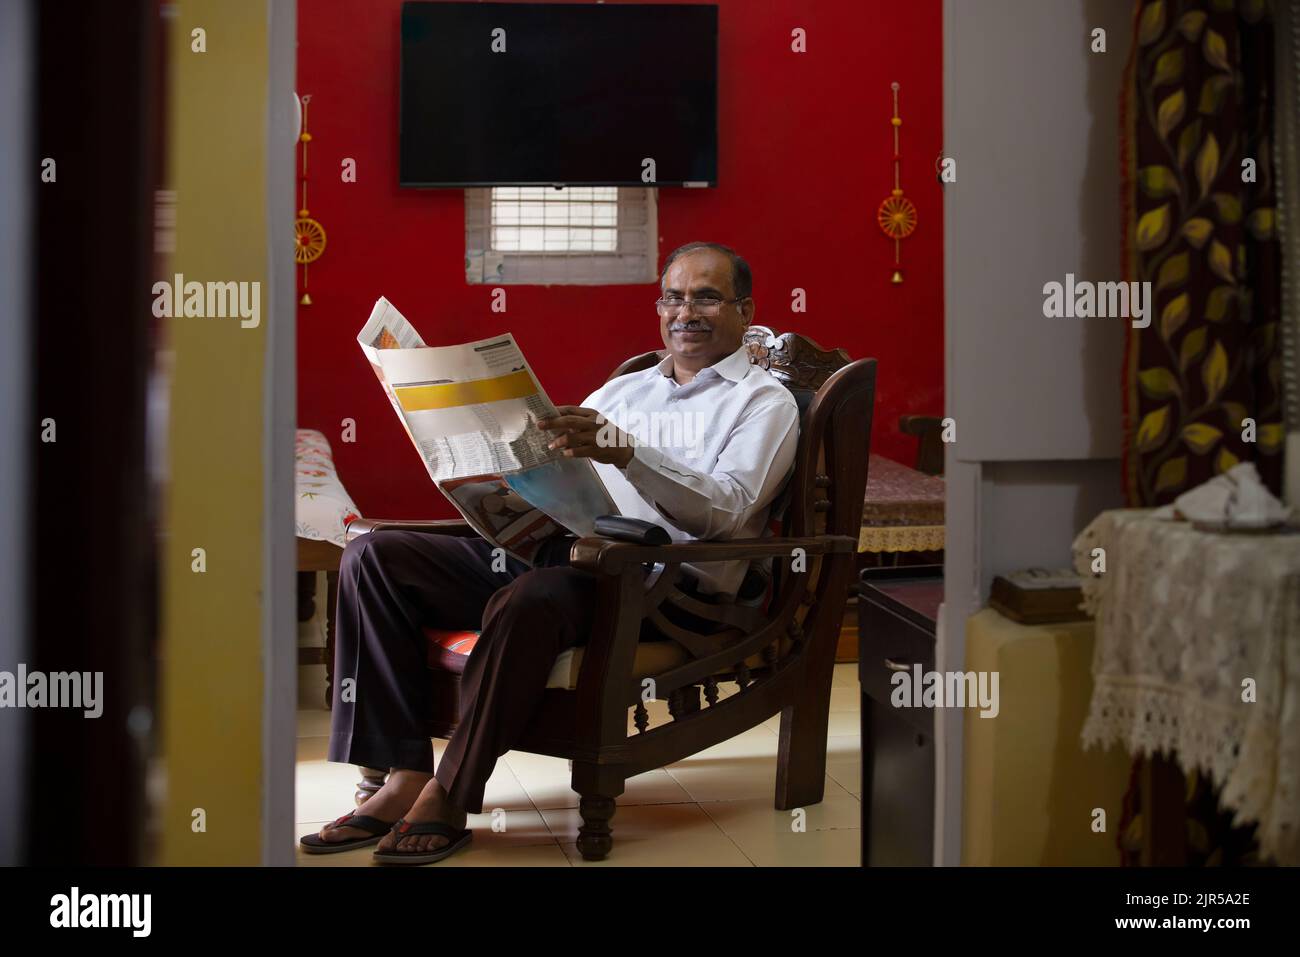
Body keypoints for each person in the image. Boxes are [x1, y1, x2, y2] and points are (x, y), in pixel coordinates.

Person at [300, 242, 799, 863]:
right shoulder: (626, 390)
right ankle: (401, 775)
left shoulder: (763, 403)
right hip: (569, 552)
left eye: (705, 297)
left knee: (531, 597)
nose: (685, 312)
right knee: (374, 557)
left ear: (743, 309)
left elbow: (727, 510)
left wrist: (628, 453)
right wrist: (497, 469)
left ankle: (451, 793)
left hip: (663, 582)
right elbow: (562, 466)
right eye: (673, 297)